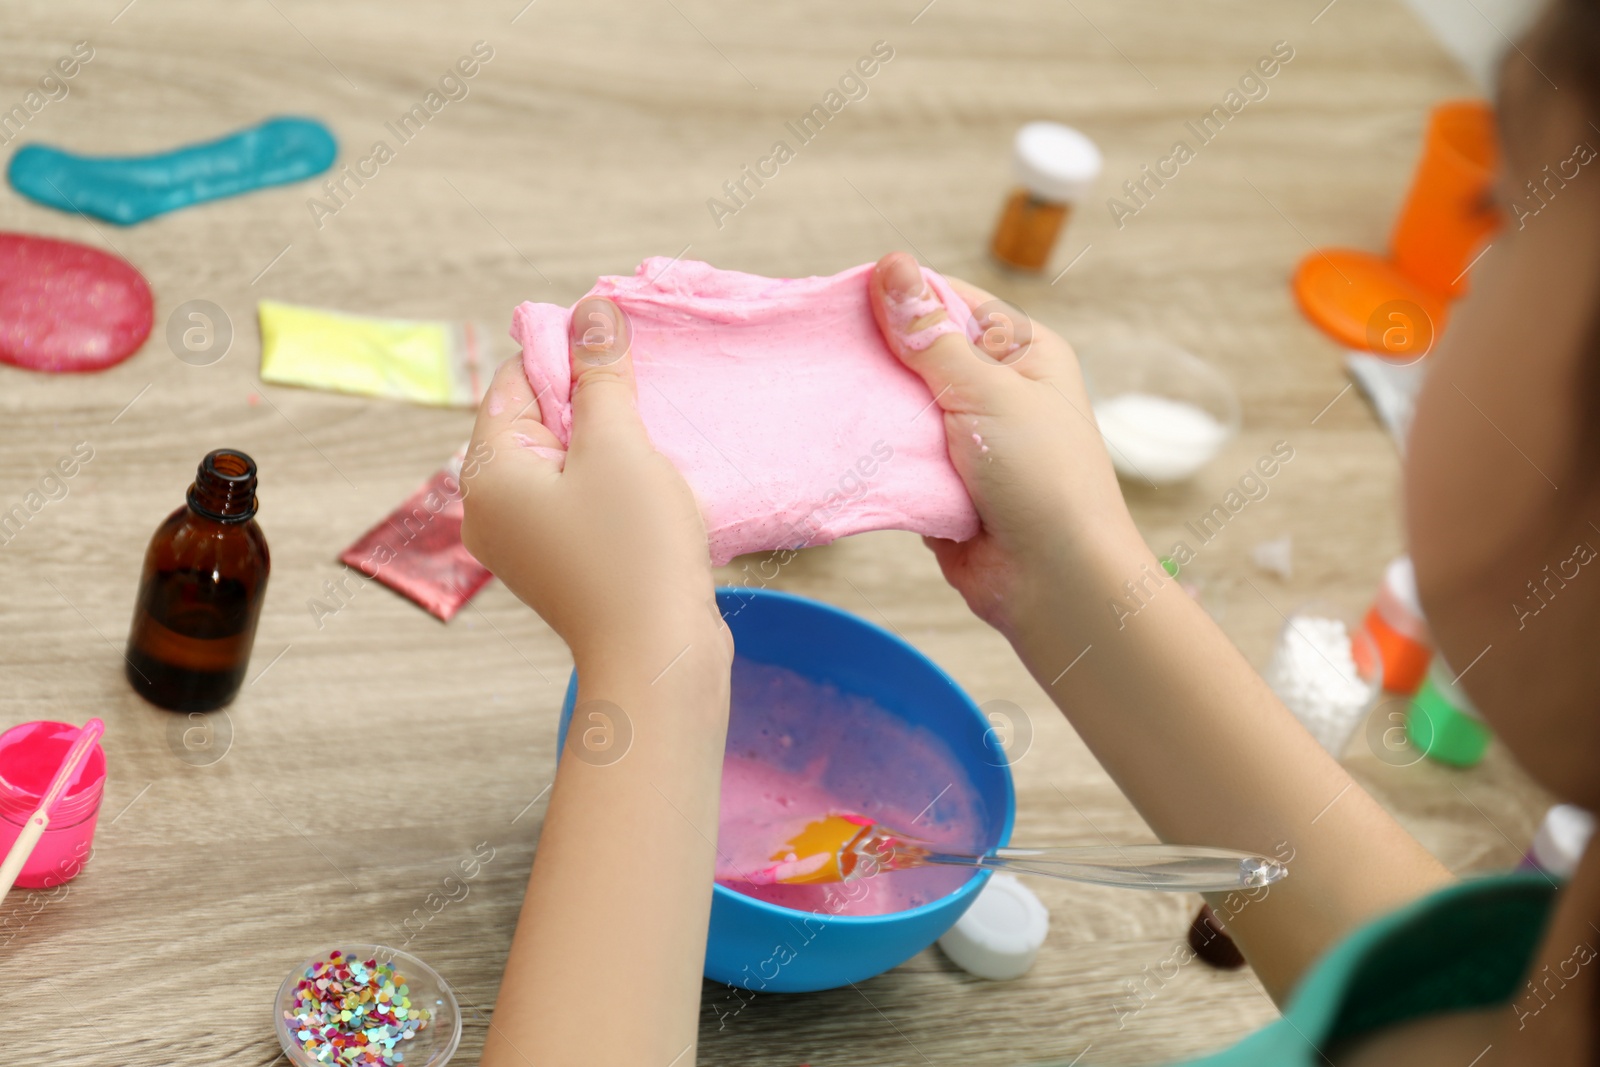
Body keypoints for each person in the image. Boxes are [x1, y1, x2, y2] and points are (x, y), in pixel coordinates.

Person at [459, 5, 1598, 1062]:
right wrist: (1068, 574)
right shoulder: (1543, 968)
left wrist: (651, 664)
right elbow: (1426, 980)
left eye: (1501, 221)